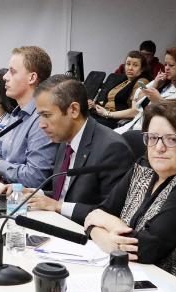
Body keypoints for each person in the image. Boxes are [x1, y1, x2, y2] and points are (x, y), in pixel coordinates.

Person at [83, 100, 176, 290]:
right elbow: (99, 212)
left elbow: (147, 248)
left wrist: (106, 228)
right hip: (137, 275)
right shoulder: (143, 167)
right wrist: (105, 238)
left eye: (172, 139)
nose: (159, 147)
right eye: (153, 138)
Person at [9, 74, 133, 226]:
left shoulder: (112, 148)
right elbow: (65, 194)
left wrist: (58, 206)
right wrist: (35, 194)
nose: (41, 124)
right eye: (40, 116)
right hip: (59, 224)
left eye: (47, 115)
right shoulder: (65, 137)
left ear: (73, 110)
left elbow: (112, 213)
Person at [0, 46, 57, 188]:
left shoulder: (42, 119)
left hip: (23, 204)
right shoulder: (16, 113)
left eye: (12, 72)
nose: (5, 77)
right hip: (4, 191)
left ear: (32, 78)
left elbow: (35, 177)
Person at [92, 50, 150, 129]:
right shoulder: (123, 80)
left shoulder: (142, 82)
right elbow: (109, 101)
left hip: (115, 121)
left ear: (142, 69)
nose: (130, 68)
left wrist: (107, 113)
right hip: (104, 116)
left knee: (86, 123)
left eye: (135, 65)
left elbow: (135, 111)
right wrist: (95, 106)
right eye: (128, 64)